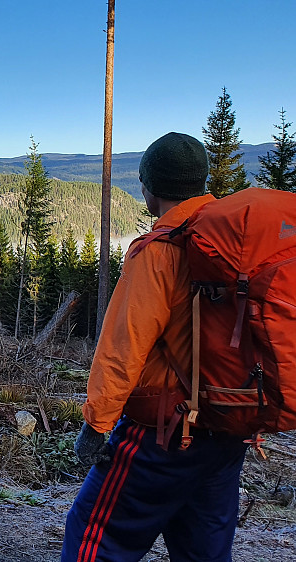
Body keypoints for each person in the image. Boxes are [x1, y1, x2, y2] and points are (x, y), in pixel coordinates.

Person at [61, 132, 249, 562]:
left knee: (94, 534)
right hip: (229, 426)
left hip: (162, 433)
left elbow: (123, 348)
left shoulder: (160, 250)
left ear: (149, 187)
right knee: (202, 549)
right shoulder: (234, 240)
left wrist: (97, 425)